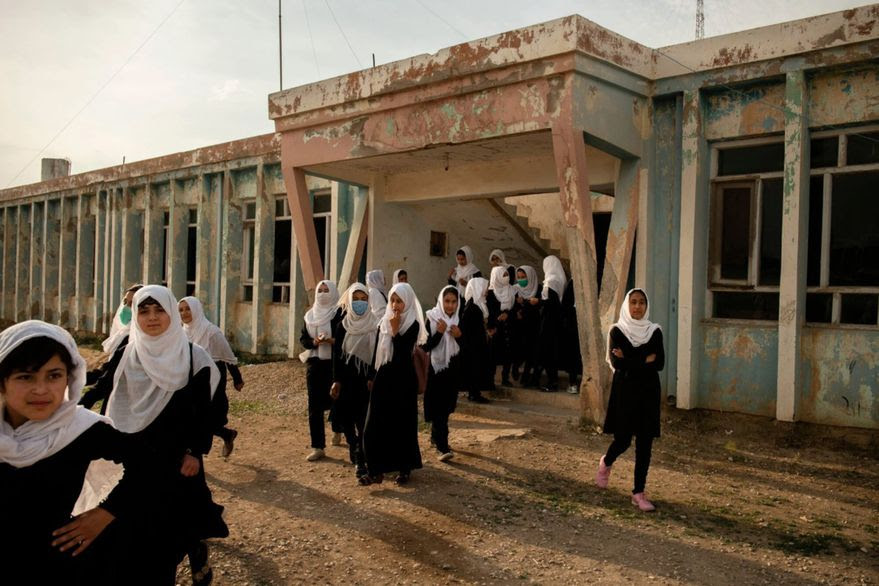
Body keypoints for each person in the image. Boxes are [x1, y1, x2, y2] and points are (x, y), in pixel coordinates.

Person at [0, 321, 169, 584]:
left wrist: (107, 512)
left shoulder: (80, 430)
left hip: (55, 563)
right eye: (25, 376)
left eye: (54, 375)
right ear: (2, 382)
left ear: (70, 378)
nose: (41, 389)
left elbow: (153, 462)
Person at [103, 285, 228, 583]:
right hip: (133, 458)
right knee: (130, 538)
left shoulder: (193, 357)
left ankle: (194, 553)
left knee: (167, 538)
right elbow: (108, 388)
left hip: (176, 461)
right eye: (144, 311)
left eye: (159, 309)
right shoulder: (128, 350)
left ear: (171, 312)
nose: (152, 317)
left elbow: (212, 410)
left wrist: (195, 450)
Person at [596, 288, 664, 513]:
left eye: (642, 302)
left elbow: (659, 363)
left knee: (645, 445)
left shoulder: (655, 331)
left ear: (646, 306)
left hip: (647, 392)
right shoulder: (617, 330)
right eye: (633, 302)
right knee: (623, 440)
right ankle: (606, 462)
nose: (637, 307)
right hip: (624, 392)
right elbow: (617, 365)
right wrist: (644, 360)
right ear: (627, 305)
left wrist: (630, 360)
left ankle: (638, 493)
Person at [362, 282, 426, 485]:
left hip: (403, 380)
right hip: (384, 378)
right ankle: (375, 470)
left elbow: (401, 355)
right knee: (373, 424)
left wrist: (396, 331)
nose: (396, 305)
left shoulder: (412, 324)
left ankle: (404, 468)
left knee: (402, 425)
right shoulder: (384, 321)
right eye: (393, 300)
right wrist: (372, 376)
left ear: (407, 302)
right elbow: (377, 353)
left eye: (400, 301)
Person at [179, 296, 245, 458]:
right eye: (180, 310)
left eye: (188, 308)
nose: (184, 313)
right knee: (191, 416)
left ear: (196, 309)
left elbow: (227, 355)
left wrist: (237, 378)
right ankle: (225, 435)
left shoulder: (211, 331)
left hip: (212, 375)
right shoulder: (180, 332)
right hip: (190, 376)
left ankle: (197, 453)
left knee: (207, 416)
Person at [330, 283, 378, 484]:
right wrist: (336, 380)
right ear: (349, 300)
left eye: (363, 298)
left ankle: (360, 459)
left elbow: (378, 354)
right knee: (346, 420)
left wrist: (372, 377)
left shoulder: (374, 325)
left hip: (364, 382)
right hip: (347, 380)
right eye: (356, 298)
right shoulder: (343, 325)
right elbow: (337, 356)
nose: (360, 302)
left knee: (363, 422)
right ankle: (354, 446)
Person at [299, 280, 343, 462]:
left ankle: (338, 429)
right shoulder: (309, 315)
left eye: (327, 291)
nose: (323, 294)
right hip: (315, 363)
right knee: (314, 406)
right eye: (320, 290)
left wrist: (331, 341)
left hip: (333, 364)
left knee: (337, 400)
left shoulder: (339, 313)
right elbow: (303, 339)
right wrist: (314, 342)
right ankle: (318, 446)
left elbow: (344, 338)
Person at [422, 285, 463, 462]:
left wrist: (459, 336)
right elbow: (424, 346)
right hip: (435, 369)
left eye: (454, 302)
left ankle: (435, 437)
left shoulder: (459, 320)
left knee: (446, 408)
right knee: (438, 408)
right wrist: (439, 334)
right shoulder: (431, 318)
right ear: (441, 300)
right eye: (447, 301)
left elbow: (467, 347)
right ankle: (442, 445)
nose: (450, 306)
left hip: (452, 370)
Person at [86, 283, 143, 386]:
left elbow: (107, 374)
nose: (126, 307)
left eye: (132, 303)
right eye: (125, 302)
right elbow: (109, 370)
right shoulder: (123, 334)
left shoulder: (133, 338)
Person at [529, 256, 566, 392]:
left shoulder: (551, 282)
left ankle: (551, 382)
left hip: (549, 321)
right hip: (554, 321)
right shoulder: (559, 280)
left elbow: (553, 303)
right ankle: (538, 380)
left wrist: (538, 302)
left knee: (545, 351)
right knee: (547, 351)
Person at [459, 277, 491, 403]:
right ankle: (474, 394)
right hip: (473, 347)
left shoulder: (478, 305)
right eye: (485, 288)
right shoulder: (472, 307)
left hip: (477, 345)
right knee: (474, 370)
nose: (487, 291)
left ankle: (475, 393)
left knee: (477, 369)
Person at [486, 265, 516, 387]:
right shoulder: (491, 293)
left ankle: (505, 378)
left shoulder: (511, 290)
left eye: (506, 274)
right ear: (496, 276)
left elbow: (515, 309)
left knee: (508, 354)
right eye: (503, 275)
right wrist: (496, 321)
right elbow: (490, 311)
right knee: (493, 356)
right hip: (496, 327)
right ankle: (490, 380)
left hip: (508, 326)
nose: (506, 277)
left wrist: (508, 314)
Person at [511, 265, 541, 385]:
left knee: (530, 350)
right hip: (519, 325)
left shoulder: (537, 288)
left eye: (524, 277)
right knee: (519, 349)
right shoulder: (514, 289)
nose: (521, 280)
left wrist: (525, 303)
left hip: (532, 324)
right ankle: (515, 368)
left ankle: (526, 376)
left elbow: (538, 304)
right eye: (519, 277)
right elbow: (510, 306)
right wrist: (516, 310)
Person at [561, 278, 583, 394]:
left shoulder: (574, 282)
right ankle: (574, 383)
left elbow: (565, 304)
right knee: (574, 353)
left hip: (578, 323)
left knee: (576, 354)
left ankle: (574, 383)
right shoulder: (574, 282)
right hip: (574, 323)